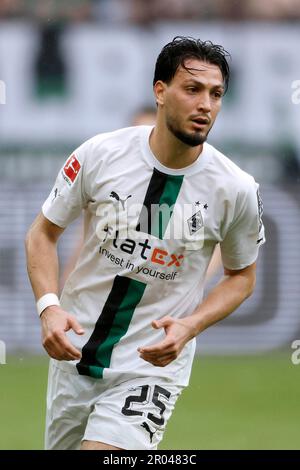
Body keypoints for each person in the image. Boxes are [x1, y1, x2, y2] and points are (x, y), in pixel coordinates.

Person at [25, 36, 265, 450]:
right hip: (76, 356)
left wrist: (191, 324)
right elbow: (43, 234)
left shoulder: (236, 188)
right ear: (160, 91)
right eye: (193, 90)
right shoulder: (100, 154)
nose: (206, 104)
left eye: (216, 94)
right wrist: (49, 307)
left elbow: (241, 276)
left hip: (151, 367)